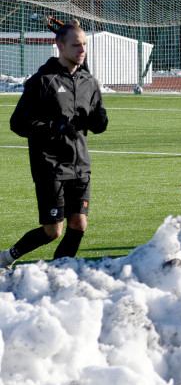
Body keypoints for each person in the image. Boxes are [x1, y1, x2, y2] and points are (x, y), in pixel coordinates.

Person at [1, 22, 108, 269]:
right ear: (59, 46)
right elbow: (18, 124)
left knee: (79, 224)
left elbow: (97, 120)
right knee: (53, 231)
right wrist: (55, 126)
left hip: (80, 164)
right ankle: (7, 257)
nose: (82, 49)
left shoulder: (89, 81)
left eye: (84, 44)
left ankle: (59, 273)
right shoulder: (41, 81)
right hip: (50, 166)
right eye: (76, 45)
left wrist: (98, 120)